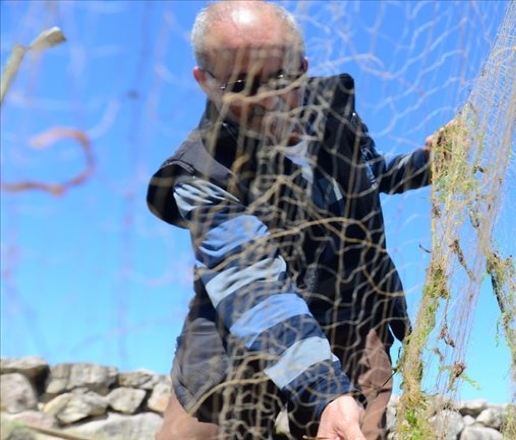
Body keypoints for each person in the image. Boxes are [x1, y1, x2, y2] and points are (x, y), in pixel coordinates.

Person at [146, 2, 446, 438]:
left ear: (303, 67)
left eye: (283, 78)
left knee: (355, 430)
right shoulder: (198, 170)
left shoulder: (338, 118)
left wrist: (430, 162)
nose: (269, 99)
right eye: (243, 84)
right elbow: (251, 285)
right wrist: (323, 389)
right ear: (206, 83)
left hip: (353, 313)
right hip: (239, 331)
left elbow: (373, 175)